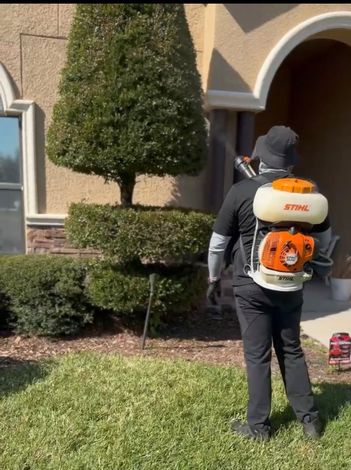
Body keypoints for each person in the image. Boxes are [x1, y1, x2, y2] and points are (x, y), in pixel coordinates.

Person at [207, 125, 330, 441]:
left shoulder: (242, 191)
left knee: (257, 355)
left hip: (251, 284)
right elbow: (323, 239)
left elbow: (218, 243)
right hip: (291, 284)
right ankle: (310, 421)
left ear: (261, 156)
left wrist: (212, 276)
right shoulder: (308, 193)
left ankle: (259, 427)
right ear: (290, 162)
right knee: (291, 349)